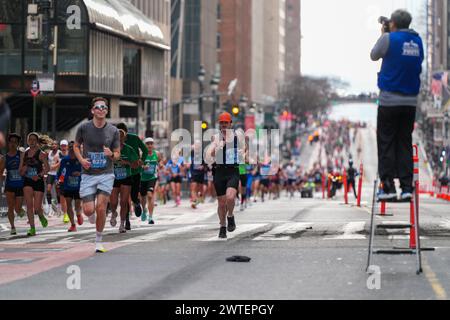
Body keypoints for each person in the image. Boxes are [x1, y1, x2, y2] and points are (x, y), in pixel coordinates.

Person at [371, 9, 424, 202]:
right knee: (404, 143)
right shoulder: (418, 41)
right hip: (410, 102)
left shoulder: (388, 39)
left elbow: (374, 55)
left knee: (386, 143)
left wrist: (385, 34)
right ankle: (407, 187)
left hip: (389, 101)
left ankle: (388, 187)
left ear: (393, 23)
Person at [74, 97, 120, 253]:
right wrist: (81, 160)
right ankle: (90, 214)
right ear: (93, 110)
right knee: (88, 210)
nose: (101, 109)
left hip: (106, 173)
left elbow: (117, 154)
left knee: (101, 207)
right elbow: (76, 146)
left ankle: (99, 240)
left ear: (106, 111)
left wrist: (111, 155)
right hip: (88, 173)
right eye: (98, 107)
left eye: (104, 107)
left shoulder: (113, 131)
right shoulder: (83, 128)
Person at [208, 112, 246, 239]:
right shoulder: (216, 137)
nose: (224, 125)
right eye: (222, 123)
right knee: (221, 202)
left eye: (226, 122)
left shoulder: (238, 136)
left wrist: (242, 153)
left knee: (230, 198)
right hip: (219, 171)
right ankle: (222, 226)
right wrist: (217, 148)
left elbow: (244, 150)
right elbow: (211, 154)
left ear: (230, 124)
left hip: (232, 171)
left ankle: (230, 216)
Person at [116, 123, 148, 229]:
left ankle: (136, 203)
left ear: (125, 132)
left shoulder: (134, 138)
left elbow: (145, 150)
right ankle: (127, 220)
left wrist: (141, 161)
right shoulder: (114, 142)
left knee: (130, 196)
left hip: (134, 171)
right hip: (124, 173)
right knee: (126, 198)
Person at [19, 133, 50, 236]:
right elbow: (20, 171)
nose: (31, 141)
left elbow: (47, 169)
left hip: (38, 181)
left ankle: (41, 216)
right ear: (27, 141)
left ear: (37, 141)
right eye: (30, 140)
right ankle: (32, 229)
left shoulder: (42, 154)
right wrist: (24, 169)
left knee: (37, 208)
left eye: (33, 140)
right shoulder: (24, 154)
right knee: (29, 206)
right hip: (27, 180)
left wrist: (39, 175)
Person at [110, 129, 139, 233]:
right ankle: (113, 212)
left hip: (126, 177)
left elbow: (136, 164)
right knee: (113, 202)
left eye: (121, 136)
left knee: (123, 201)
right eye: (117, 136)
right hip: (113, 178)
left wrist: (126, 162)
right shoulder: (110, 149)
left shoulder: (129, 149)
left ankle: (122, 224)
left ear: (124, 138)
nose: (119, 138)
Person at [0, 133, 25, 235]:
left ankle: (20, 211)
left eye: (15, 142)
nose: (13, 144)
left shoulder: (21, 154)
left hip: (20, 185)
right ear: (8, 143)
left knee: (17, 209)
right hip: (9, 185)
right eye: (11, 142)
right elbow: (1, 171)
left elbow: (26, 167)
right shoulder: (5, 158)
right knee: (10, 207)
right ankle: (13, 227)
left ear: (18, 144)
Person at [57, 141, 84, 232]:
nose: (72, 150)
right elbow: (61, 173)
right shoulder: (64, 160)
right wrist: (59, 182)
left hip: (78, 186)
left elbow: (87, 171)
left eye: (74, 148)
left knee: (77, 205)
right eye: (71, 148)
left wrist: (79, 173)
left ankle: (79, 214)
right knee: (68, 204)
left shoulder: (80, 159)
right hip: (67, 186)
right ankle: (73, 225)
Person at [140, 137, 162, 224]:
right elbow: (137, 164)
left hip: (152, 177)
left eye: (151, 144)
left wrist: (160, 166)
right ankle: (144, 210)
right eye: (147, 144)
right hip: (142, 178)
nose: (149, 145)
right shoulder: (141, 154)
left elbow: (159, 162)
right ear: (145, 145)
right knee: (142, 197)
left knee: (150, 195)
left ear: (153, 145)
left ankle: (150, 217)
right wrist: (143, 167)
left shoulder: (157, 154)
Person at [188, 140, 206, 209]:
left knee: (200, 189)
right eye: (196, 145)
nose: (197, 146)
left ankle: (198, 198)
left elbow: (206, 162)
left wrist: (203, 166)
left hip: (201, 174)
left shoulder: (202, 154)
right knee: (193, 187)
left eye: (198, 145)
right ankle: (194, 201)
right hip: (193, 173)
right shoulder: (191, 153)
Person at [46, 140, 61, 217]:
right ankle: (50, 209)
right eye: (53, 144)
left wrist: (53, 167)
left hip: (57, 174)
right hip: (50, 174)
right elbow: (47, 163)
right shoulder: (49, 153)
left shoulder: (60, 153)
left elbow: (60, 163)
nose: (54, 145)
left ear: (58, 145)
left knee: (58, 191)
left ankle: (59, 208)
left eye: (55, 144)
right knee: (48, 190)